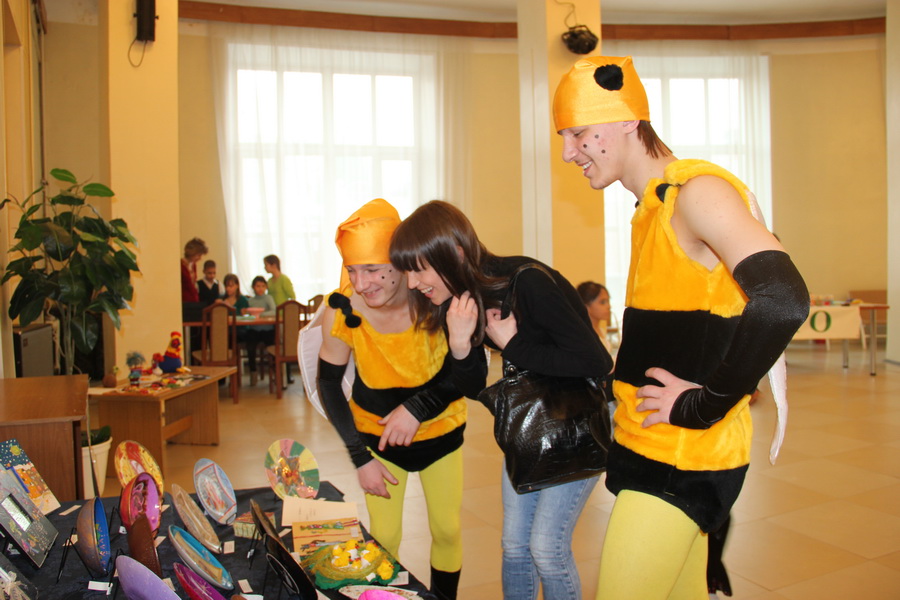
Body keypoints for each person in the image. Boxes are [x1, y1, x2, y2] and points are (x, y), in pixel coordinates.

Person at [553, 55, 809, 599]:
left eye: (577, 133)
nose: (568, 152)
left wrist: (704, 404)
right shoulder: (653, 208)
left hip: (684, 455)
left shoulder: (697, 192)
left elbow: (783, 300)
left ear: (628, 119)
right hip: (653, 445)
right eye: (563, 137)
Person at [389, 200, 613, 600]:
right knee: (514, 546)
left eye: (418, 269)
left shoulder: (527, 282)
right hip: (529, 429)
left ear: (455, 252)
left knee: (547, 548)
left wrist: (513, 344)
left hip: (575, 428)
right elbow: (473, 384)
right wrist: (460, 344)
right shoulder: (460, 299)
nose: (412, 283)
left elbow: (595, 361)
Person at [317, 199, 469, 600]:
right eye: (352, 270)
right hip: (378, 440)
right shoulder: (343, 309)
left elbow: (464, 372)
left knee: (447, 529)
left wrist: (418, 410)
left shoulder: (435, 297)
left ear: (401, 264)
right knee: (383, 536)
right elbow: (328, 384)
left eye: (372, 269)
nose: (361, 283)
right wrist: (360, 458)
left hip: (441, 433)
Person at [243, 275, 276, 382]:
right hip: (254, 330)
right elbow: (248, 315)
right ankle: (253, 372)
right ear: (253, 287)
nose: (260, 288)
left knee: (273, 348)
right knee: (250, 347)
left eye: (262, 286)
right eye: (258, 286)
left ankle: (275, 372)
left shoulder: (268, 298)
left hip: (268, 330)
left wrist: (261, 314)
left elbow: (274, 311)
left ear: (266, 287)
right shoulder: (250, 300)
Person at [576, 281, 612, 353]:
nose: (609, 306)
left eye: (608, 301)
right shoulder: (583, 335)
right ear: (586, 307)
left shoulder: (601, 330)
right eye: (602, 302)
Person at [181, 238, 208, 303]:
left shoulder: (193, 265)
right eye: (199, 255)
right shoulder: (180, 266)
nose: (200, 258)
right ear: (192, 252)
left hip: (194, 300)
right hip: (184, 301)